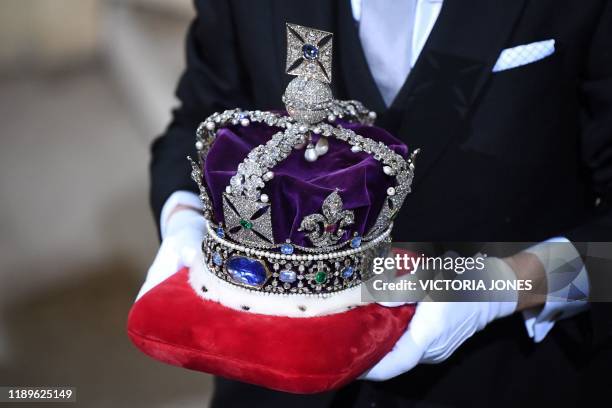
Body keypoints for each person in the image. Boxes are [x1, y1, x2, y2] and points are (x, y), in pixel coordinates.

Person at [140, 0, 612, 406]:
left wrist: (501, 287)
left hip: (502, 378)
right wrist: (184, 219)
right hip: (270, 379)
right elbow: (197, 121)